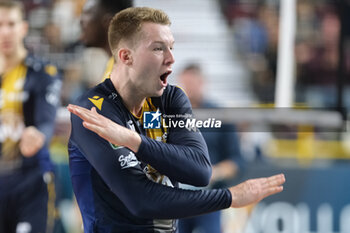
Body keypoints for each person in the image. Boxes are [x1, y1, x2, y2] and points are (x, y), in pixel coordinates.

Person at [68, 7, 285, 232]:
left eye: (171, 47)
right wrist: (228, 197)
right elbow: (140, 201)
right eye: (158, 48)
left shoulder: (171, 98)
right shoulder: (94, 109)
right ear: (126, 56)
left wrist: (134, 141)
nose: (171, 59)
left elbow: (200, 170)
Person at [0, 2, 62, 233]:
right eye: (0, 25)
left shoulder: (42, 72)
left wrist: (37, 134)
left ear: (23, 28)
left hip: (31, 179)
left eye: (11, 24)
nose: (5, 31)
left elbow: (46, 120)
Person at [177, 64, 242, 233]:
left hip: (210, 196)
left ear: (202, 82)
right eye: (186, 83)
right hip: (176, 197)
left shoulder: (220, 115)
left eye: (193, 82)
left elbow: (238, 160)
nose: (189, 88)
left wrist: (217, 171)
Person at [80, 0, 133, 81]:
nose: (81, 21)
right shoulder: (113, 65)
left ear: (110, 23)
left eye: (88, 13)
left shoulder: (126, 74)